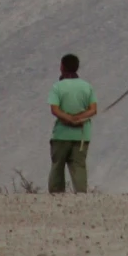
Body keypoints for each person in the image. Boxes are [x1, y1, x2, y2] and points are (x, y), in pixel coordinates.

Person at [48, 52, 97, 194]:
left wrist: (69, 119)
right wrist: (79, 118)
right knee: (79, 166)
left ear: (62, 67)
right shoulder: (87, 87)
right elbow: (93, 109)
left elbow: (54, 110)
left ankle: (56, 197)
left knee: (57, 166)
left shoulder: (57, 87)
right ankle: (81, 196)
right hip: (82, 135)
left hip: (61, 135)